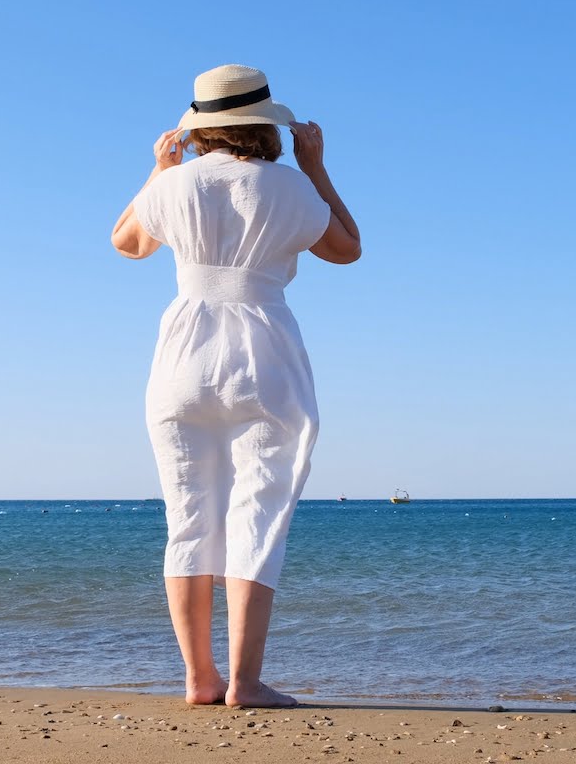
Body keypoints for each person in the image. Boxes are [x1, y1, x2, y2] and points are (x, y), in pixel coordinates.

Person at [111, 64, 360, 708]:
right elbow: (346, 248)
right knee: (260, 511)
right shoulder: (289, 188)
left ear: (200, 127)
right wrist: (315, 167)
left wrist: (159, 170)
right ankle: (245, 683)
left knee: (188, 517)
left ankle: (199, 679)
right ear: (264, 125)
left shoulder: (173, 185)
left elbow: (127, 243)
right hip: (263, 351)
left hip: (183, 354)